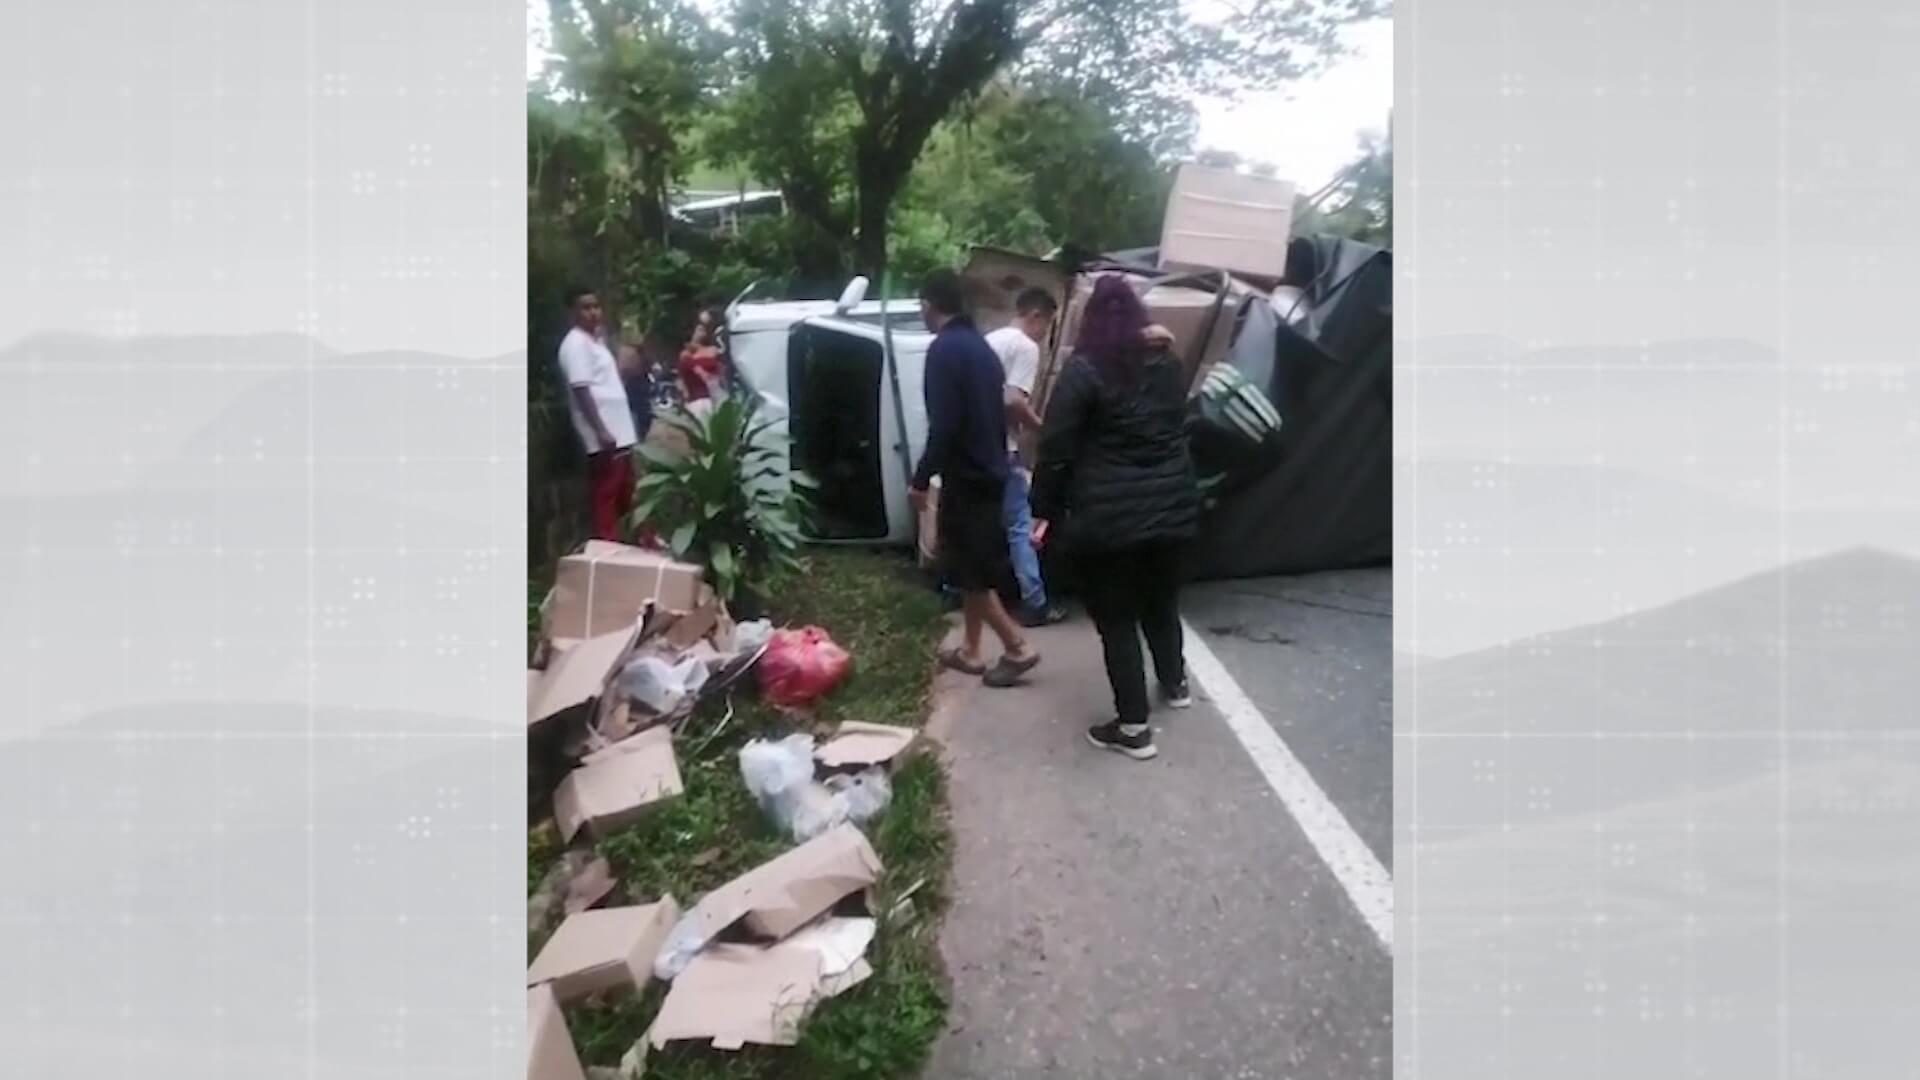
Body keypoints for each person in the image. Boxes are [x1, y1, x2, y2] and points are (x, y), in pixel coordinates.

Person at [1032, 276, 1202, 760]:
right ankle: (1175, 683)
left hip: (1111, 517)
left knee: (1118, 618)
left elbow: (1056, 449)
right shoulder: (1167, 363)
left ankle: (1133, 729)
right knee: (1161, 600)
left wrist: (1042, 509)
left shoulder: (1084, 370)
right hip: (1172, 504)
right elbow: (1176, 423)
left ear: (1091, 319)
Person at [908, 268, 1042, 688]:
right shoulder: (980, 350)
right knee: (973, 566)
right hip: (993, 470)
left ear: (929, 306)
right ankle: (969, 649)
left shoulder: (945, 351)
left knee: (969, 568)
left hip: (966, 477)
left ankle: (1017, 647)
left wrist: (920, 478)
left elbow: (944, 424)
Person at [984, 288, 1068, 628]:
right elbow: (1013, 399)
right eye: (1046, 326)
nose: (1044, 335)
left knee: (983, 522)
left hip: (979, 448)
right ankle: (1035, 602)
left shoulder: (991, 340)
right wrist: (1042, 428)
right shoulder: (1025, 347)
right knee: (1020, 523)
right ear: (1036, 316)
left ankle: (956, 587)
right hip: (1002, 449)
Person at [556, 285, 639, 541]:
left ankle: (643, 541)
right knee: (607, 494)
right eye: (585, 307)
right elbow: (581, 390)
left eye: (596, 306)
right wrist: (600, 429)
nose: (593, 313)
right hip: (605, 435)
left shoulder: (595, 342)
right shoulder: (575, 344)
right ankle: (608, 547)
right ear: (572, 312)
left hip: (620, 432)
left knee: (628, 492)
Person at [677, 307, 727, 413]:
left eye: (706, 326)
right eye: (699, 326)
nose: (701, 328)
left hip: (717, 398)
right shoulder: (687, 353)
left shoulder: (716, 350)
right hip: (697, 401)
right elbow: (683, 380)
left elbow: (722, 374)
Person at [617, 341, 653, 449]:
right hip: (634, 399)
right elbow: (623, 369)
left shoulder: (640, 355)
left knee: (641, 423)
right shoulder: (627, 352)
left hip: (639, 398)